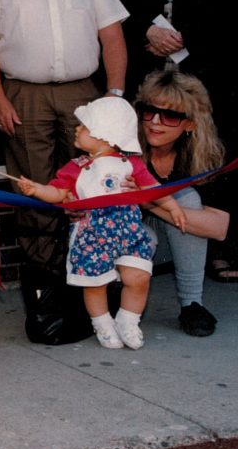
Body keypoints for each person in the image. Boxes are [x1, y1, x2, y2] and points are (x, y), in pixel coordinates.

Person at [0, 0, 129, 343]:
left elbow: (112, 36)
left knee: (95, 185)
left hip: (84, 93)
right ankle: (46, 293)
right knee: (35, 188)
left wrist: (114, 99)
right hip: (24, 95)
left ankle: (99, 282)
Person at [110, 0, 238, 280]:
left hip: (214, 81)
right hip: (152, 82)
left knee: (211, 158)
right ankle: (159, 246)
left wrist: (186, 43)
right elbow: (116, 10)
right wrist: (146, 31)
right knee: (156, 160)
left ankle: (219, 251)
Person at [18, 97, 186, 350]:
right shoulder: (76, 168)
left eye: (84, 127)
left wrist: (173, 207)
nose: (77, 129)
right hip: (92, 235)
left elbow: (153, 190)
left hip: (128, 232)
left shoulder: (131, 164)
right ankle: (102, 323)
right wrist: (37, 190)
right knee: (96, 284)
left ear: (105, 135)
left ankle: (128, 319)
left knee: (138, 276)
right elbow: (58, 194)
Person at [135, 69, 229, 336]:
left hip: (170, 243)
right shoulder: (126, 148)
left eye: (170, 115)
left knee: (186, 196)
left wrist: (152, 203)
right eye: (148, 111)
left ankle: (192, 305)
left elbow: (219, 228)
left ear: (190, 123)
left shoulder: (202, 158)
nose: (154, 122)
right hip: (130, 244)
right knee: (149, 231)